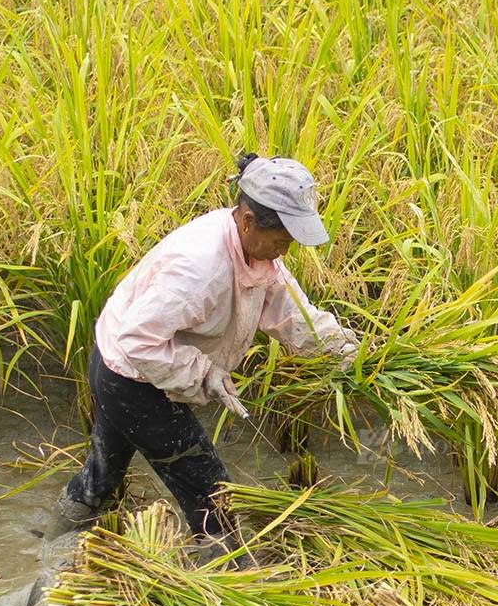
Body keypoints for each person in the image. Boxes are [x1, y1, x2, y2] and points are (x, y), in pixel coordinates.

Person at [56, 154, 359, 536]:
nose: (286, 251)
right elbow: (138, 340)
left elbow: (294, 315)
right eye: (282, 241)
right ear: (248, 222)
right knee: (212, 495)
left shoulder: (256, 251)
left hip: (124, 359)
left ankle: (56, 550)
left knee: (101, 475)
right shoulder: (200, 269)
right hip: (130, 376)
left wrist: (351, 353)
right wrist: (203, 371)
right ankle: (223, 579)